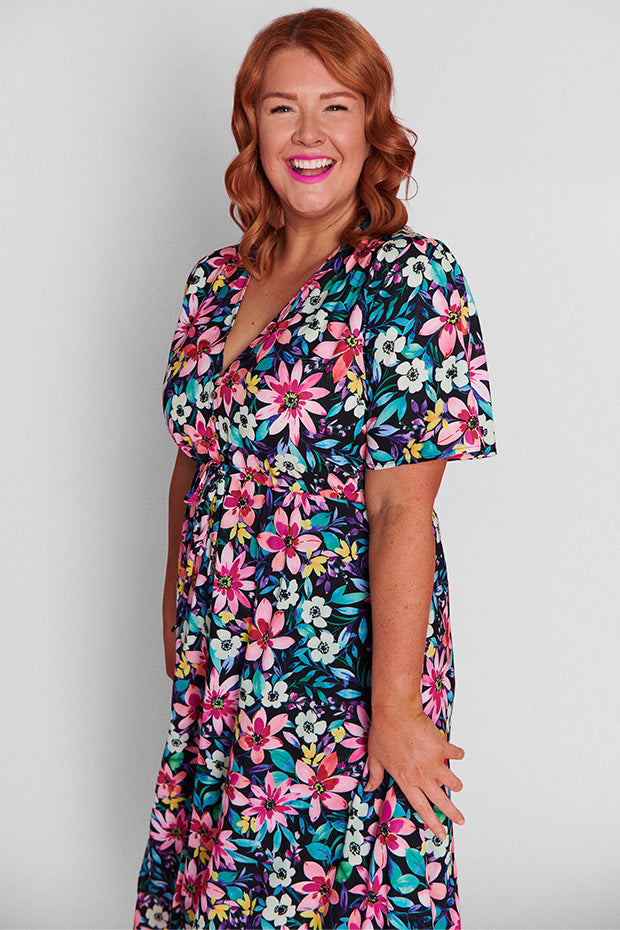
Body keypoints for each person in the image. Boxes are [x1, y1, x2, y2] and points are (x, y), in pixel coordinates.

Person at [134, 8, 496, 929]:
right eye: (281, 107)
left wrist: (396, 709)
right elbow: (192, 463)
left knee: (331, 888)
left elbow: (402, 509)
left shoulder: (408, 278)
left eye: (335, 106)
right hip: (224, 653)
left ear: (371, 127)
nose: (308, 134)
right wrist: (174, 600)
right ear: (250, 126)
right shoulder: (213, 282)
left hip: (335, 659)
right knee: (227, 885)